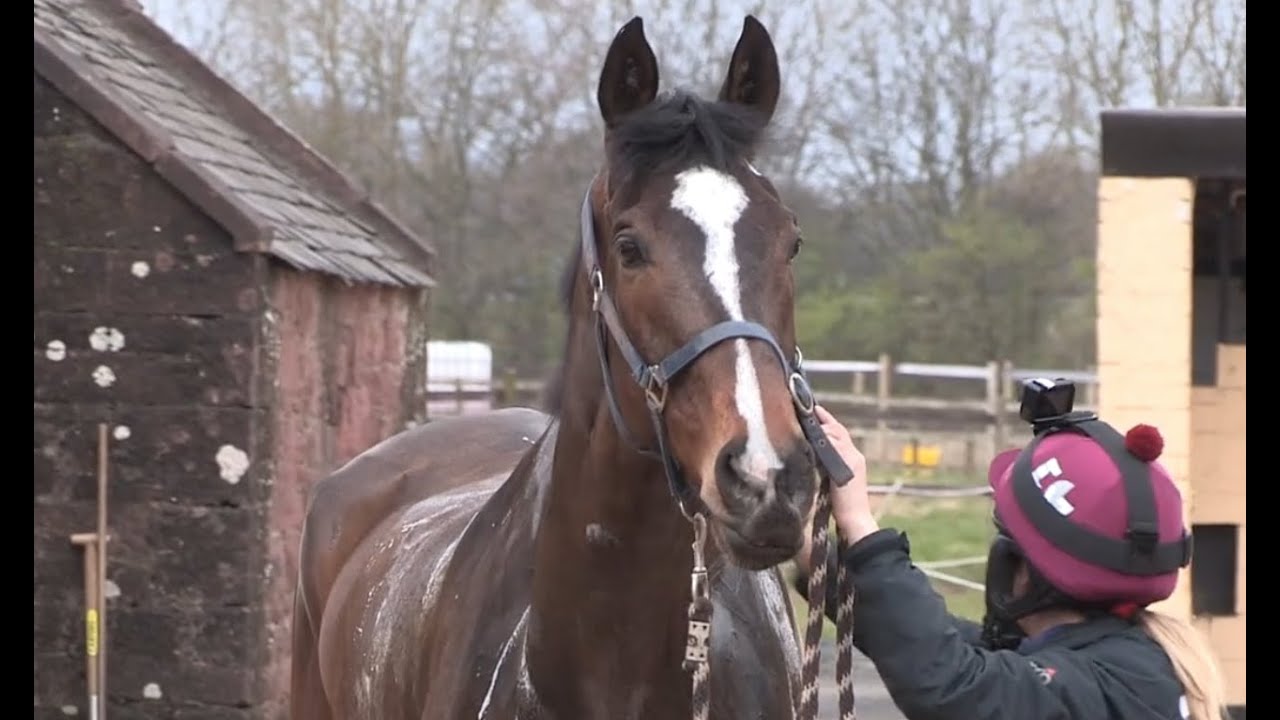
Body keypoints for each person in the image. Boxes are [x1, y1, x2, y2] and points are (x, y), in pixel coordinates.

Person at [793, 387, 1230, 720]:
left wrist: (862, 527)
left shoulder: (1108, 684)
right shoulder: (1122, 661)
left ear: (1020, 568)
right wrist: (807, 547)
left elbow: (950, 680)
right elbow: (941, 642)